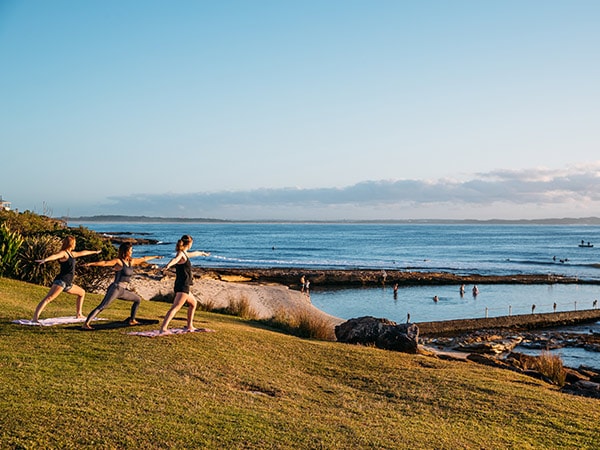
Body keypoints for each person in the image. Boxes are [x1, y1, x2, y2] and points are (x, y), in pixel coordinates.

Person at [81, 242, 163, 330]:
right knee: (103, 306)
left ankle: (132, 320)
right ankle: (86, 324)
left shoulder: (132, 261)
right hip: (115, 289)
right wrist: (90, 264)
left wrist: (155, 257)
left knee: (138, 299)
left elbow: (143, 258)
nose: (131, 252)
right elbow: (105, 263)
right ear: (125, 251)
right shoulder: (119, 262)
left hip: (123, 290)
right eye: (130, 250)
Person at [32, 236, 101, 322]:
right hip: (61, 281)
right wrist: (45, 260)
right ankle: (35, 318)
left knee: (82, 293)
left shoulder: (72, 254)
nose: (75, 244)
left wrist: (95, 252)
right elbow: (55, 256)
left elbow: (83, 252)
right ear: (71, 244)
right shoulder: (64, 253)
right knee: (48, 298)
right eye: (74, 243)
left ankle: (79, 314)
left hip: (68, 283)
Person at [160, 235, 210, 333]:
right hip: (183, 285)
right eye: (192, 243)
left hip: (184, 285)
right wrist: (168, 265)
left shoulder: (185, 254)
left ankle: (189, 326)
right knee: (175, 307)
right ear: (189, 243)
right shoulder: (181, 254)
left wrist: (203, 253)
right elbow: (175, 260)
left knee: (193, 304)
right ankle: (163, 328)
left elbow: (195, 253)